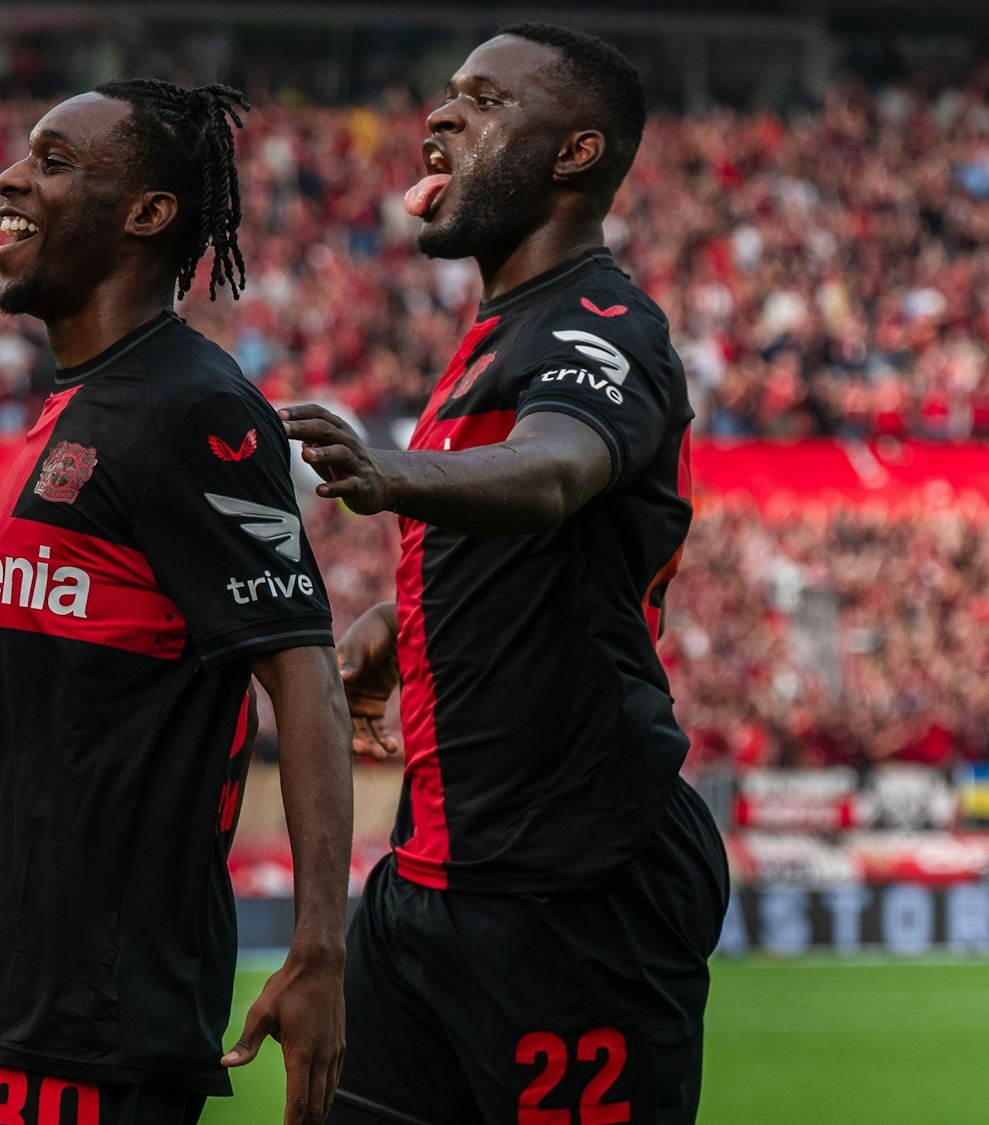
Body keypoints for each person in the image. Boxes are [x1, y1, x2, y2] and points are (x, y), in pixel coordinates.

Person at [279, 24, 731, 1125]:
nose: (438, 117)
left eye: (480, 100)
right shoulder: (504, 327)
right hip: (433, 877)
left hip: (574, 889)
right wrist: (410, 611)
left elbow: (553, 473)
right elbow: (556, 545)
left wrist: (390, 475)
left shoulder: (602, 321)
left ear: (573, 154)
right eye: (447, 94)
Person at [0, 81, 359, 1125]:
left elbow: (298, 668)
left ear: (146, 213)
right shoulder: (82, 405)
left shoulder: (191, 405)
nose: (8, 179)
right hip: (8, 1020)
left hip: (100, 1040)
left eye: (52, 160)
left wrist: (317, 950)